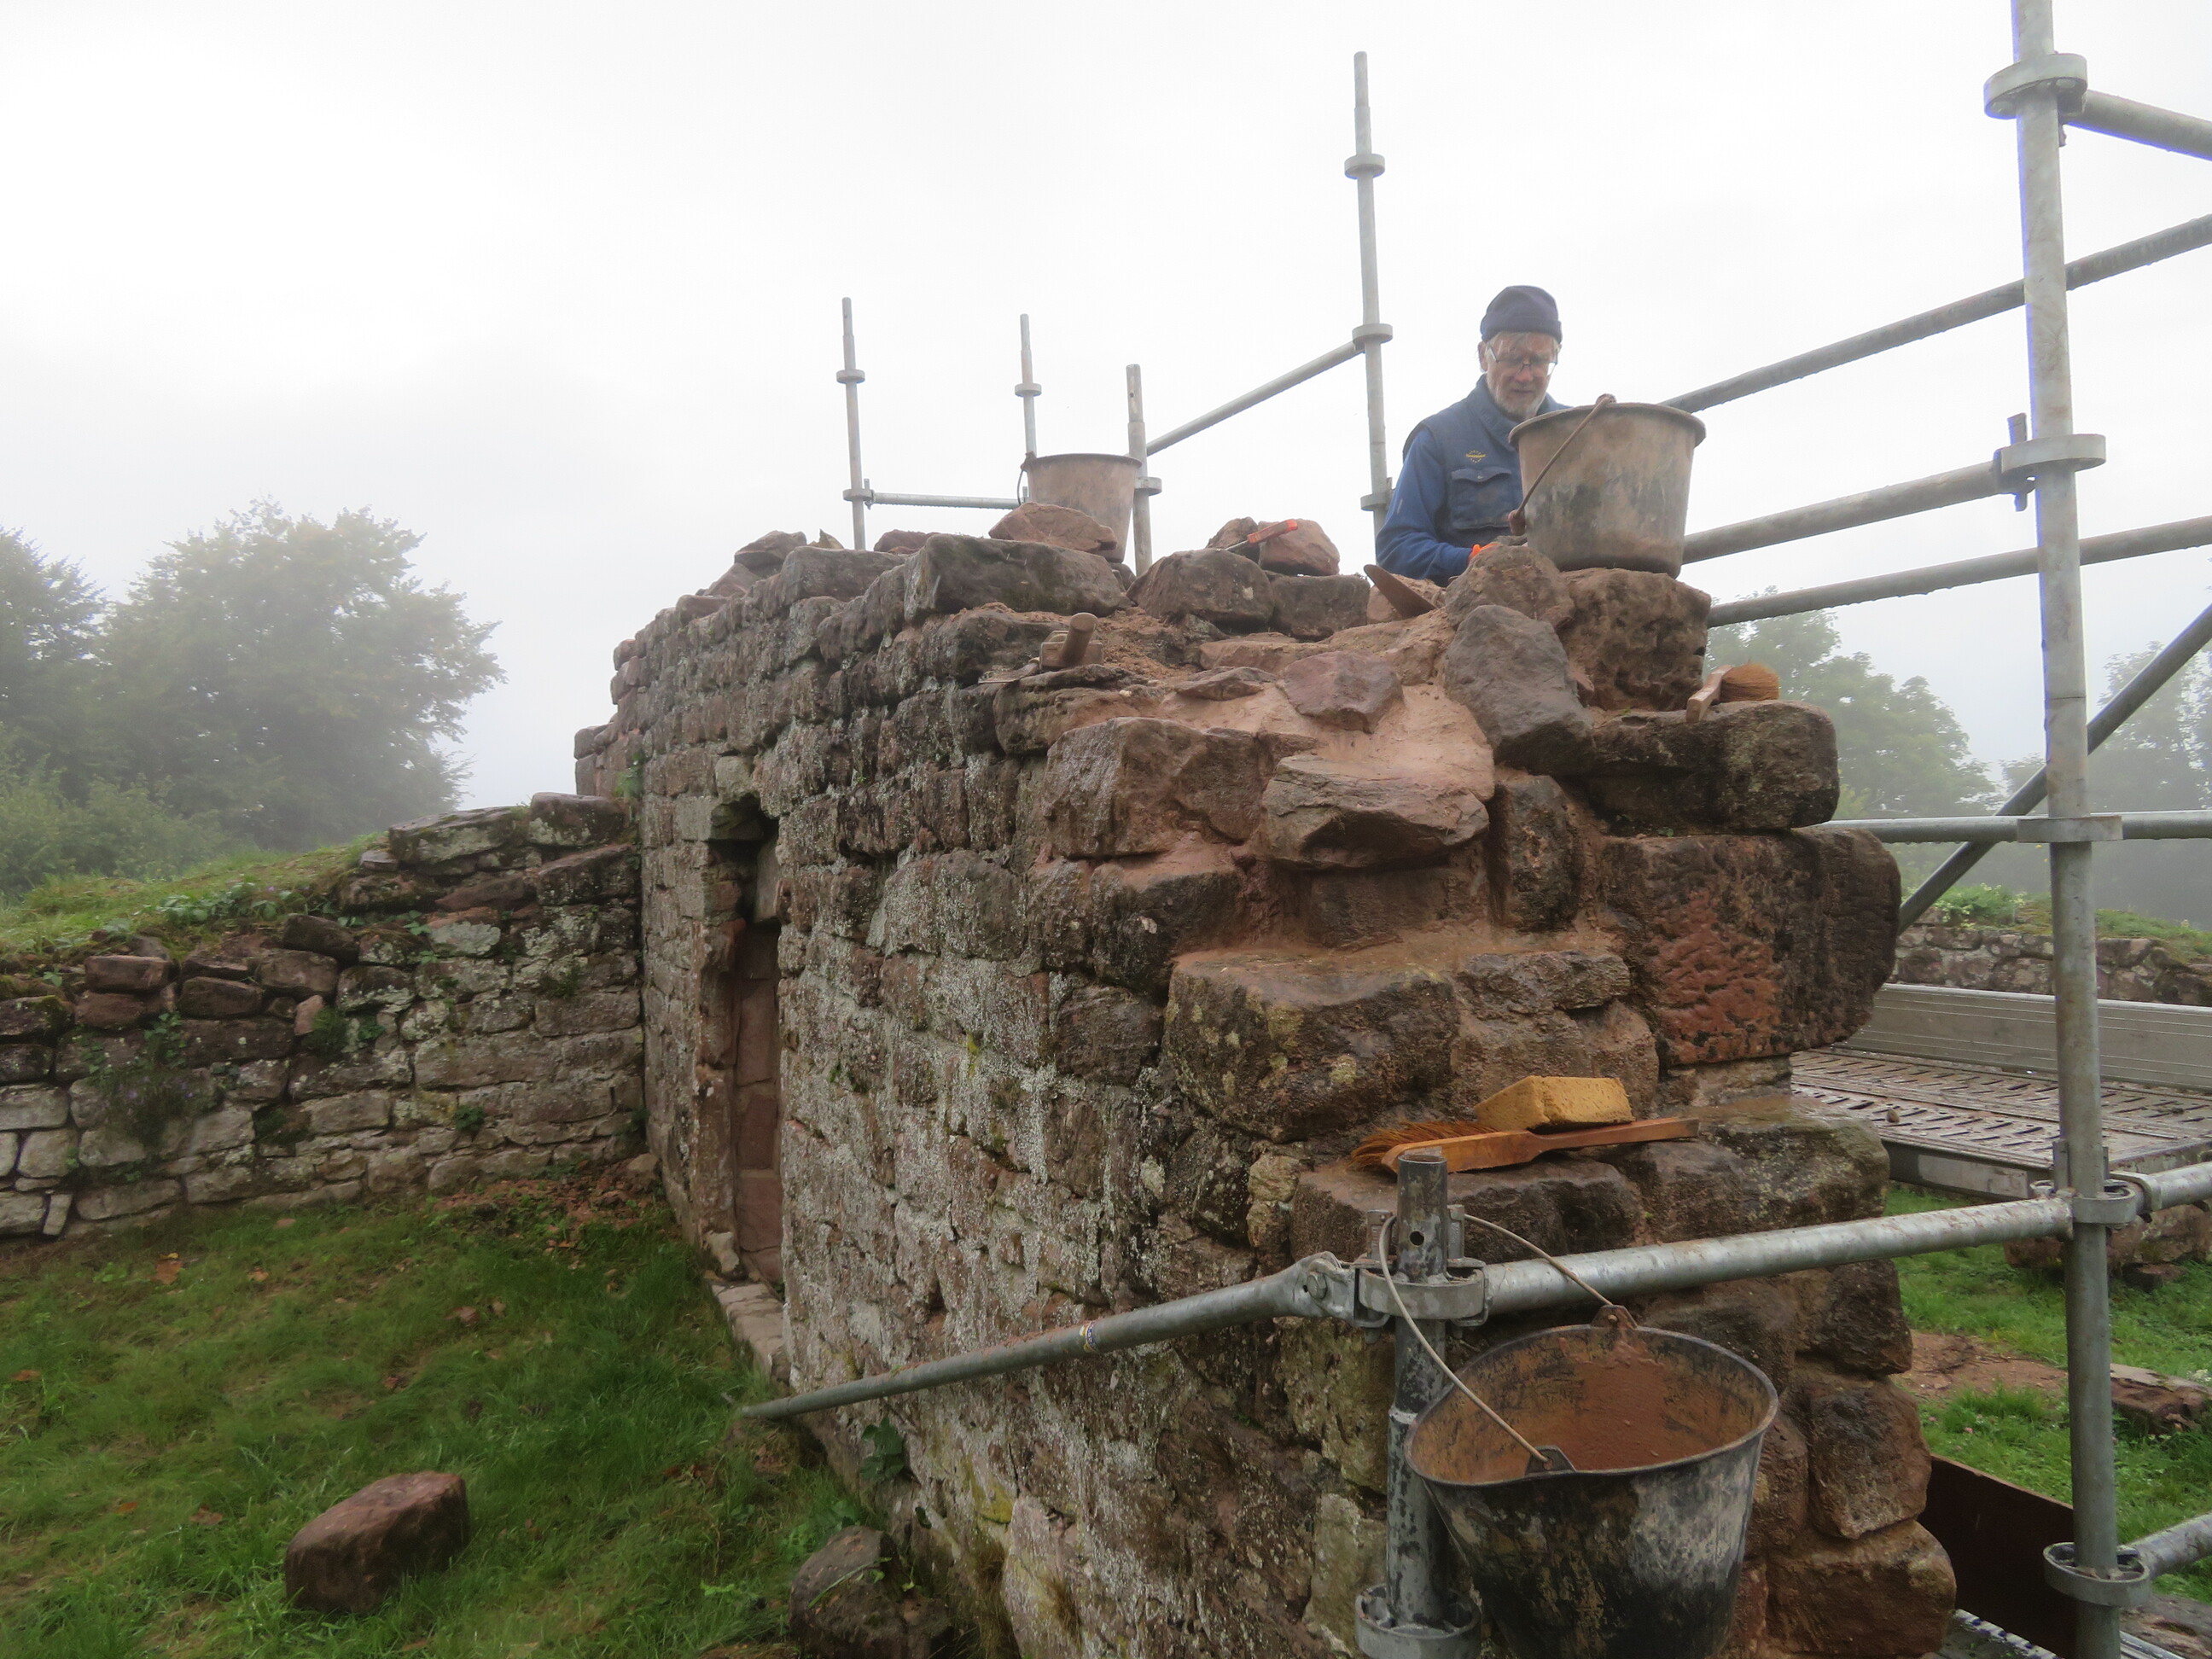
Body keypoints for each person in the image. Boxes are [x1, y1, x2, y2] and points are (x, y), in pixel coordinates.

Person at [1376, 285, 1565, 584]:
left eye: (1539, 361)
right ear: (1483, 356)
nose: (1525, 375)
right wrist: (1473, 559)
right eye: (1512, 359)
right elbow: (1396, 549)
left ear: (1555, 357)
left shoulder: (1579, 433)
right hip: (1472, 608)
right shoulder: (1437, 439)